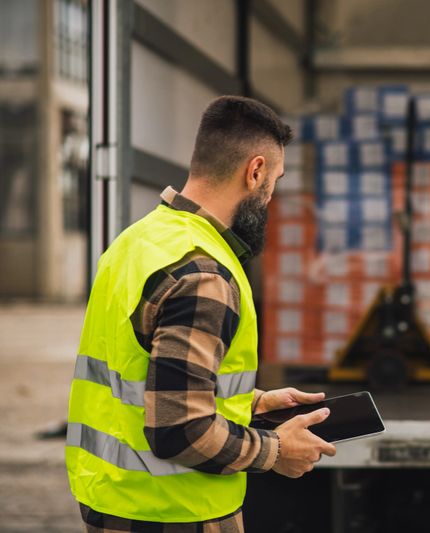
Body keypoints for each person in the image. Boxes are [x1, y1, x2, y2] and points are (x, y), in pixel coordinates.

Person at [66, 95, 336, 531]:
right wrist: (276, 451)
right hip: (174, 513)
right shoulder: (203, 274)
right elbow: (180, 429)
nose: (271, 197)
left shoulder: (137, 241)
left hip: (114, 500)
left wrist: (253, 403)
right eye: (275, 180)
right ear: (255, 171)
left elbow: (142, 381)